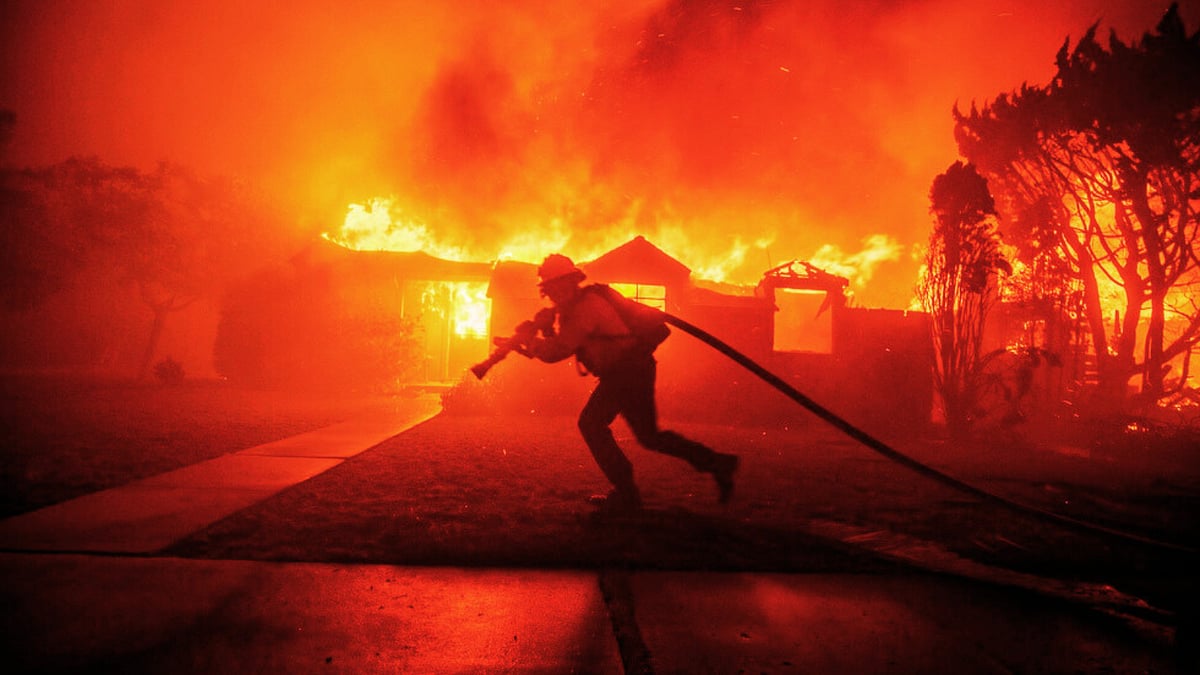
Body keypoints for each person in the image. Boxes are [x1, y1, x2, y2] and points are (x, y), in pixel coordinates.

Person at [523, 253, 739, 512]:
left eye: (558, 286)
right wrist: (545, 330)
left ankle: (627, 494)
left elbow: (558, 350)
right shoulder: (575, 307)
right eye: (550, 289)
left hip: (627, 372)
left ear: (571, 282)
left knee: (593, 424)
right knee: (648, 436)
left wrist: (531, 342)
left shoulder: (585, 308)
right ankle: (717, 464)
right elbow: (564, 343)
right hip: (627, 371)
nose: (554, 293)